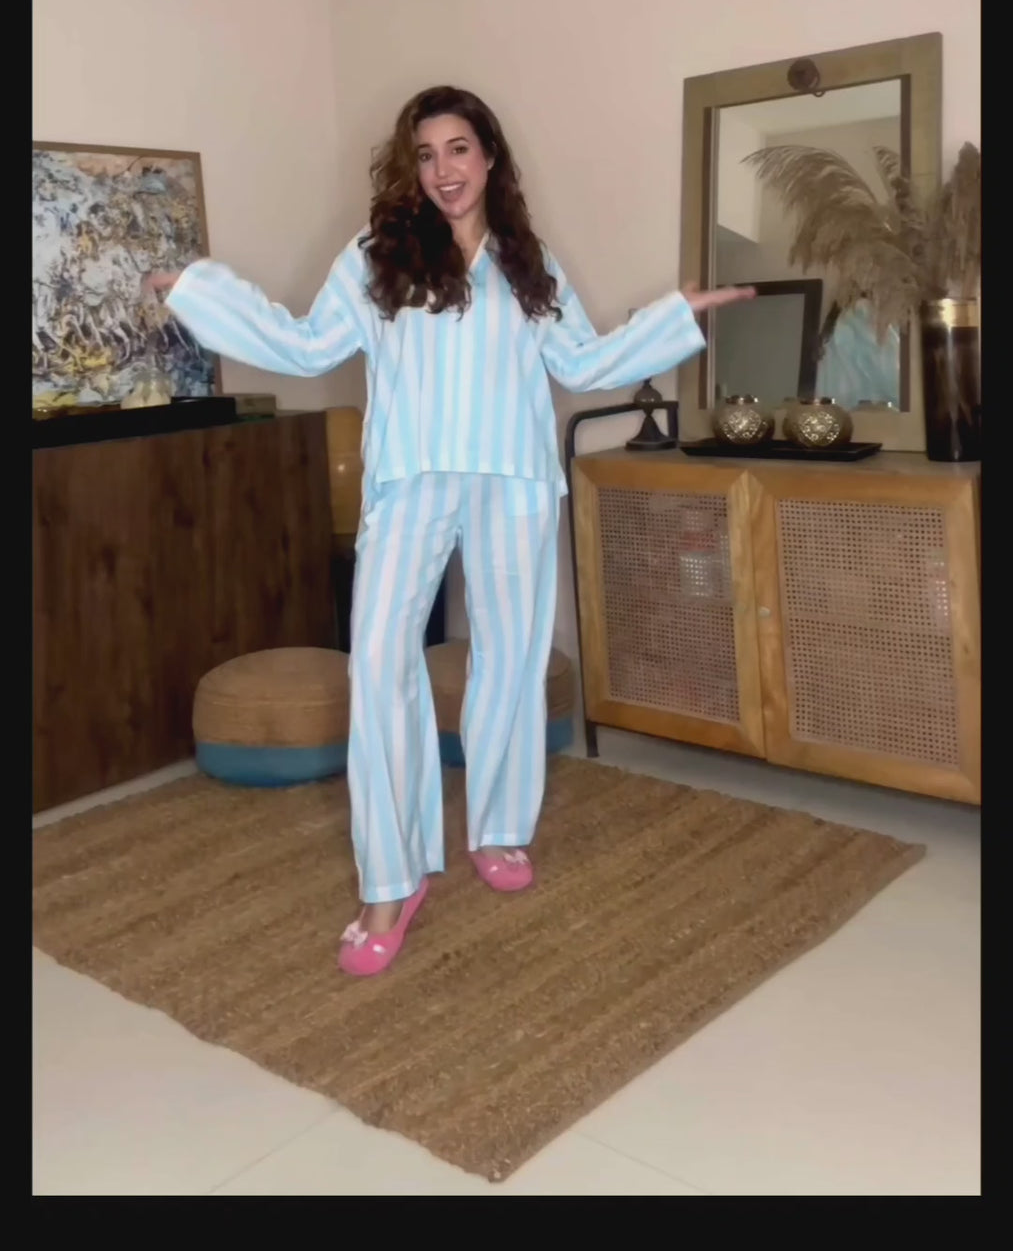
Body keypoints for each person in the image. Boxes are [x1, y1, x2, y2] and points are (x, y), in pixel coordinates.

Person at [150, 86, 752, 977]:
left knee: (510, 654)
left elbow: (583, 362)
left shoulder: (526, 259)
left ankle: (500, 827)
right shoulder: (377, 256)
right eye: (426, 154)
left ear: (488, 156)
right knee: (379, 663)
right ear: (412, 168)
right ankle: (390, 881)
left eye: (458, 148)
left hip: (512, 477)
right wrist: (201, 293)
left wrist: (676, 317)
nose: (444, 170)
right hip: (410, 480)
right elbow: (306, 346)